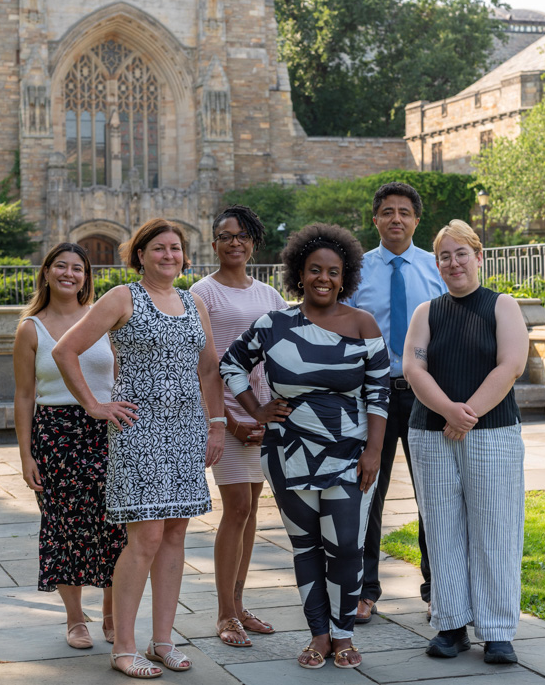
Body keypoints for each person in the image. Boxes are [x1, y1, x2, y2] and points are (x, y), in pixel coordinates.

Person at [52, 219, 226, 679]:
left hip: (187, 430)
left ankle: (162, 641)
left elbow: (209, 370)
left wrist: (217, 425)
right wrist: (94, 405)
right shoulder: (123, 298)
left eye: (176, 248)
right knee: (144, 538)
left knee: (174, 536)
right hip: (139, 431)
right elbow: (65, 351)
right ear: (141, 254)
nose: (169, 255)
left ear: (184, 256)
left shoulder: (194, 303)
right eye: (159, 249)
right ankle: (123, 646)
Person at [220, 222, 389, 670]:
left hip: (349, 454)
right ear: (299, 272)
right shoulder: (274, 324)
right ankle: (318, 633)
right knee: (306, 545)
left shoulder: (362, 324)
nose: (323, 279)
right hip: (287, 452)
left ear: (345, 275)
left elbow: (379, 394)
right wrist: (256, 410)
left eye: (333, 271)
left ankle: (344, 632)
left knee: (347, 545)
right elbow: (231, 364)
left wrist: (373, 451)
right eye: (314, 270)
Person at [402, 219, 529, 665]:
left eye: (460, 254)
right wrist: (448, 413)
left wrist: (467, 413)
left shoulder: (502, 306)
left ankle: (496, 631)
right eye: (444, 256)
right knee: (440, 528)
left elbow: (510, 364)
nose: (452, 263)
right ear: (436, 263)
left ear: (478, 257)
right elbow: (414, 369)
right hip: (430, 432)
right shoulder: (426, 312)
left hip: (492, 432)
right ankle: (451, 626)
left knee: (496, 527)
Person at [11, 242, 126, 651]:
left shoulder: (102, 320)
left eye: (78, 268)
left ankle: (114, 615)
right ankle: (76, 619)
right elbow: (24, 396)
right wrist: (25, 455)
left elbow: (121, 374)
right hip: (55, 433)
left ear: (86, 277)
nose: (69, 274)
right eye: (61, 266)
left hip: (106, 430)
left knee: (116, 524)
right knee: (64, 525)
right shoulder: (31, 328)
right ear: (46, 273)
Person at [345, 181, 446, 624]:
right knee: (369, 492)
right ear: (375, 220)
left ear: (416, 220)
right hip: (374, 396)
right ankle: (366, 590)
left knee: (434, 495)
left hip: (426, 395)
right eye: (387, 212)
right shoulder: (357, 271)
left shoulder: (436, 267)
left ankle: (437, 589)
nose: (396, 219)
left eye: (404, 212)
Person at [191, 206, 287, 648]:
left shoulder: (269, 296)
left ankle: (239, 602)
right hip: (225, 416)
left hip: (265, 417)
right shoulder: (201, 293)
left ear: (254, 242)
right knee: (236, 511)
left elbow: (283, 356)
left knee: (251, 512)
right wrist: (226, 421)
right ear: (213, 244)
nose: (235, 242)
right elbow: (204, 366)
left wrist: (272, 417)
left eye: (243, 235)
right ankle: (225, 614)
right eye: (226, 236)